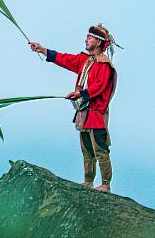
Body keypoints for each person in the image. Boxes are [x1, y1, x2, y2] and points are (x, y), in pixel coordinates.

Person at [29, 23, 119, 192]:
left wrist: (80, 94)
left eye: (90, 37)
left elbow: (99, 86)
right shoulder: (85, 61)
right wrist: (42, 50)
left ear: (98, 42)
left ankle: (106, 184)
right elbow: (65, 59)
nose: (86, 40)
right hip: (84, 113)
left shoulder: (104, 64)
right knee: (87, 150)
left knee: (100, 150)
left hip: (96, 114)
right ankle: (88, 181)